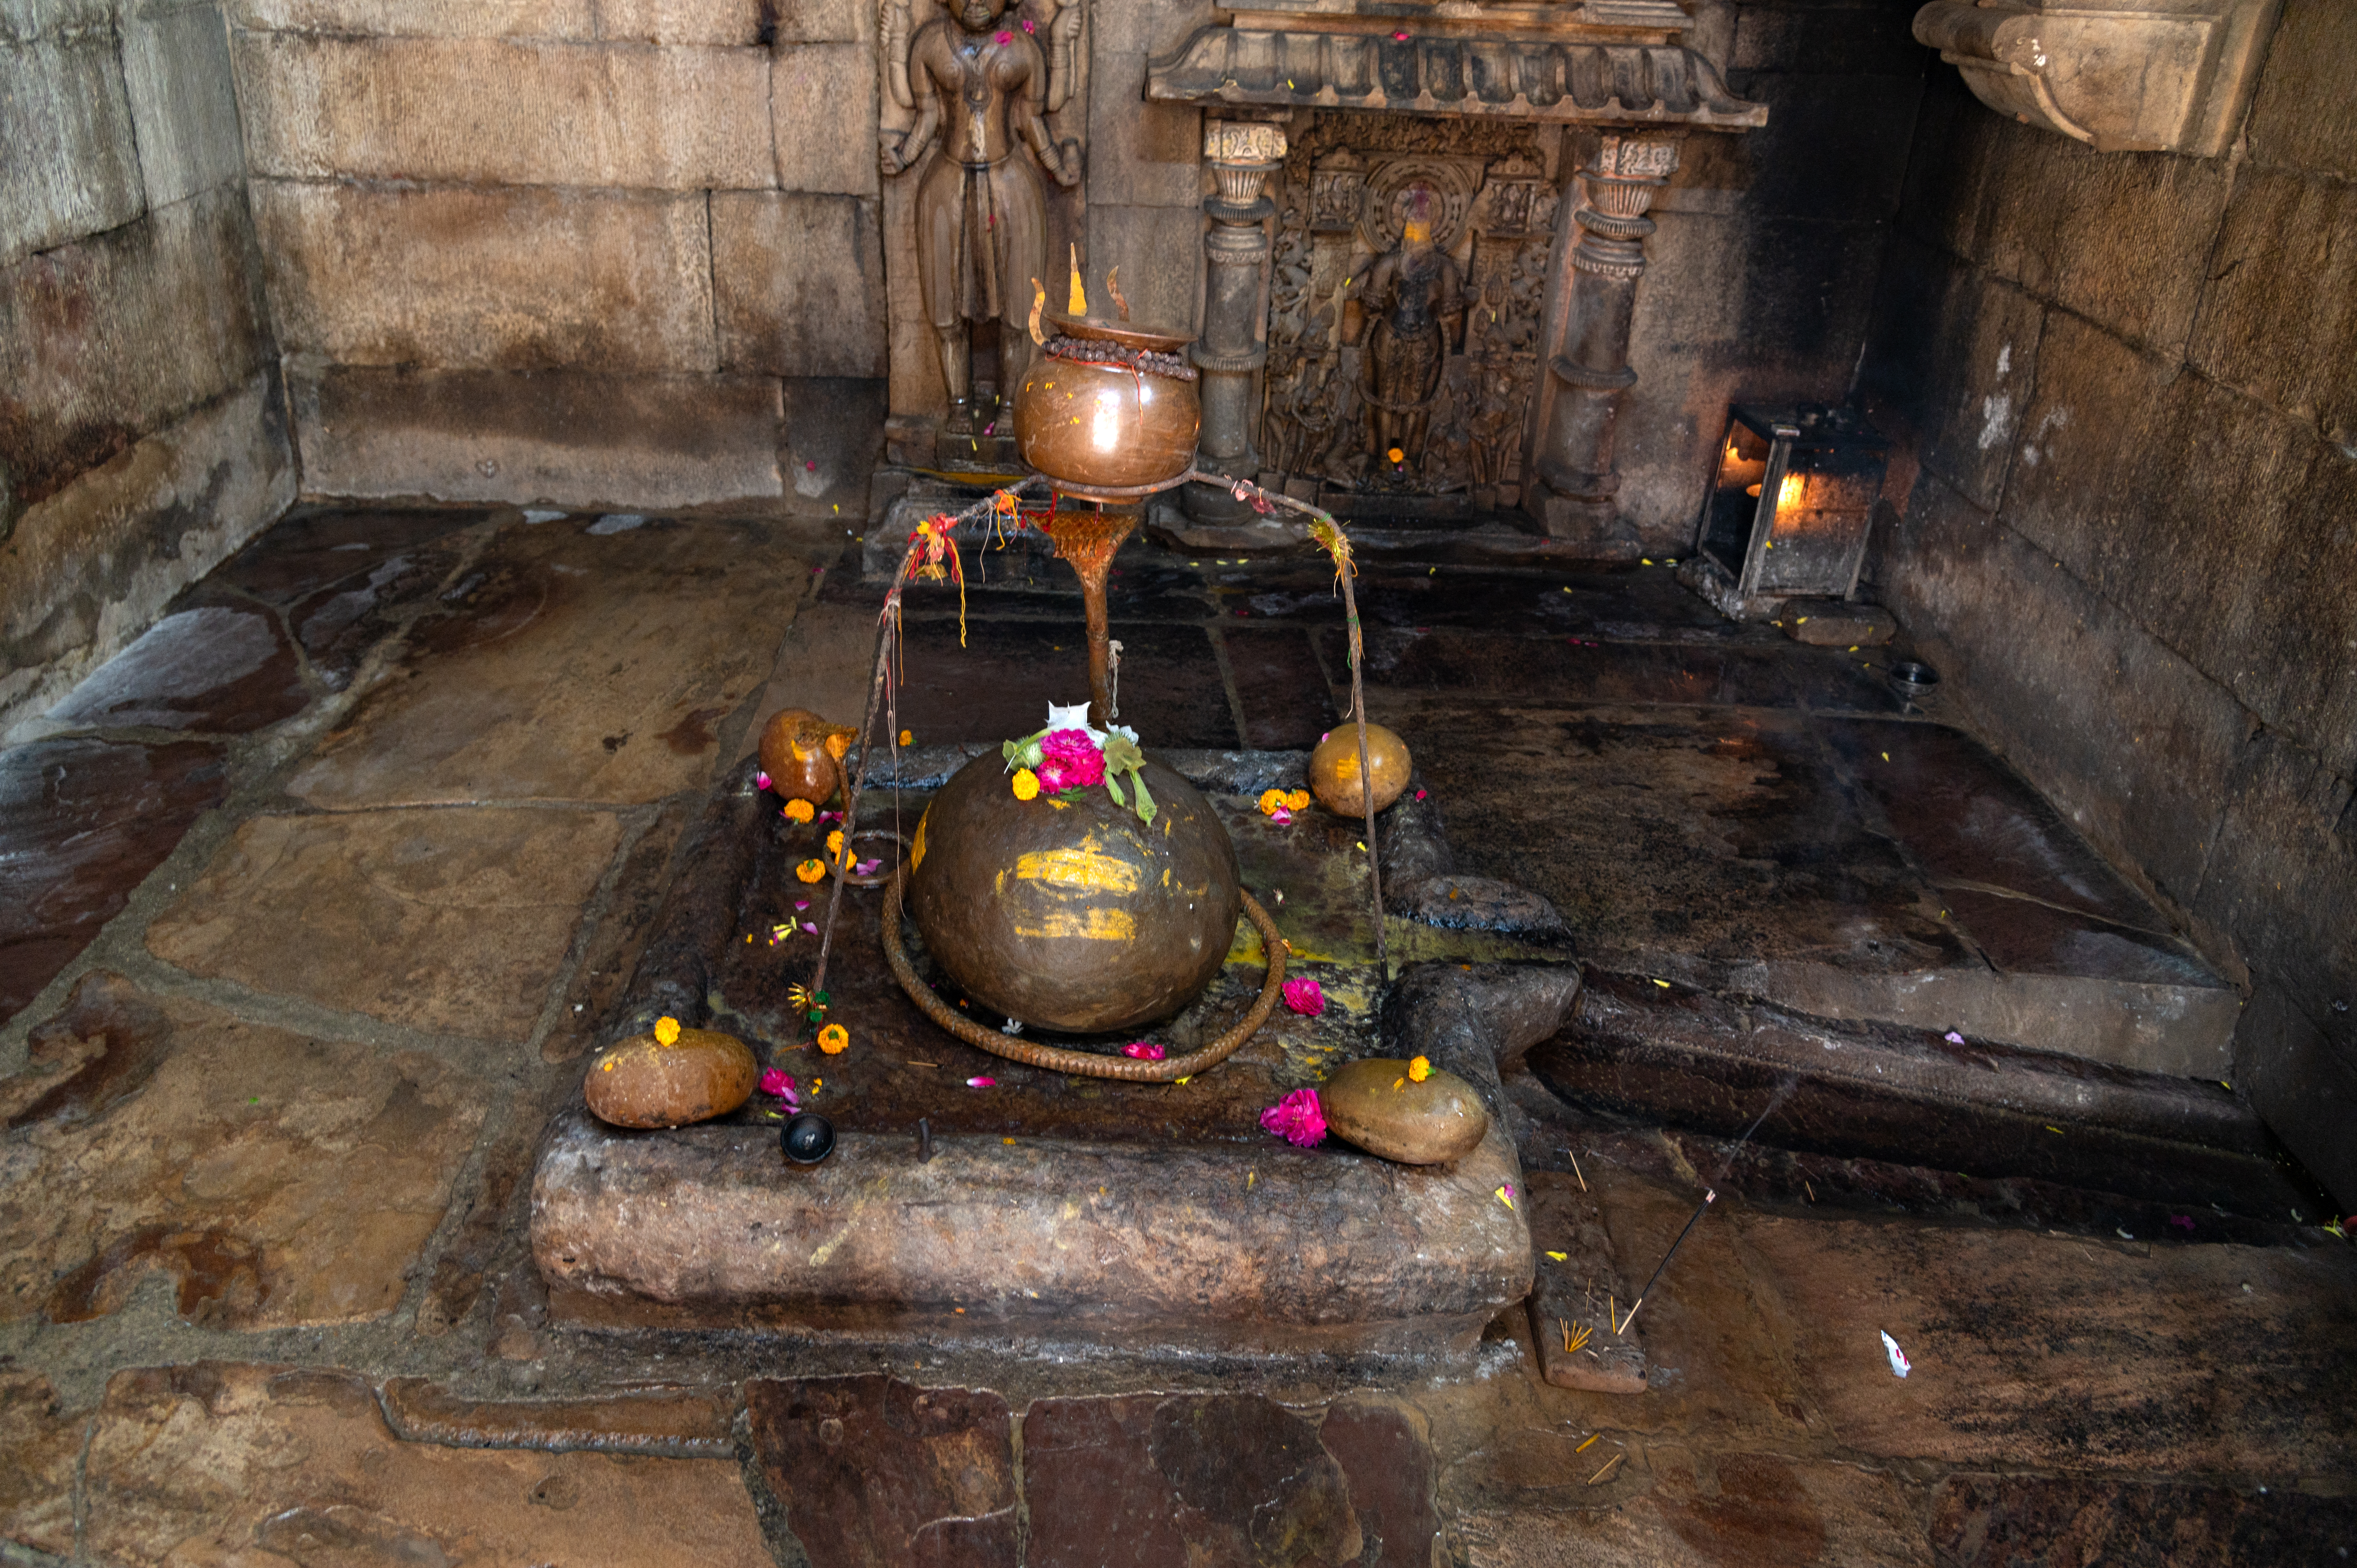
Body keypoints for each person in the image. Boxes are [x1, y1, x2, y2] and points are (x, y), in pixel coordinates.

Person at [881, 0, 1082, 434]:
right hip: (947, 183)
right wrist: (904, 156)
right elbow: (927, 115)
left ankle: (1010, 408)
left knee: (1019, 305)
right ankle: (958, 408)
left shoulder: (1023, 50)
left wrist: (1057, 166)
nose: (975, 3)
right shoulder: (932, 44)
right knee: (944, 306)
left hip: (1011, 182)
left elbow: (1034, 118)